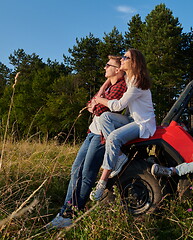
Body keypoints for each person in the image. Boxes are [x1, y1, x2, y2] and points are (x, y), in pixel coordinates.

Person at [46, 55, 129, 229]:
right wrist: (100, 94)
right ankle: (65, 210)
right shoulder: (109, 87)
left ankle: (71, 214)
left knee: (87, 174)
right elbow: (91, 104)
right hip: (92, 132)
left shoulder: (121, 87)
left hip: (101, 136)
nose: (104, 67)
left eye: (108, 65)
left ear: (117, 70)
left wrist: (96, 104)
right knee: (76, 170)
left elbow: (99, 108)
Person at [90, 49, 156, 201]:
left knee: (113, 137)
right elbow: (114, 77)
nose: (122, 59)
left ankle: (102, 182)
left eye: (126, 57)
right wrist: (103, 87)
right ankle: (119, 156)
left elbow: (118, 106)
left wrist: (99, 100)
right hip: (132, 119)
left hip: (142, 123)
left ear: (134, 62)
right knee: (105, 117)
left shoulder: (137, 82)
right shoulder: (130, 78)